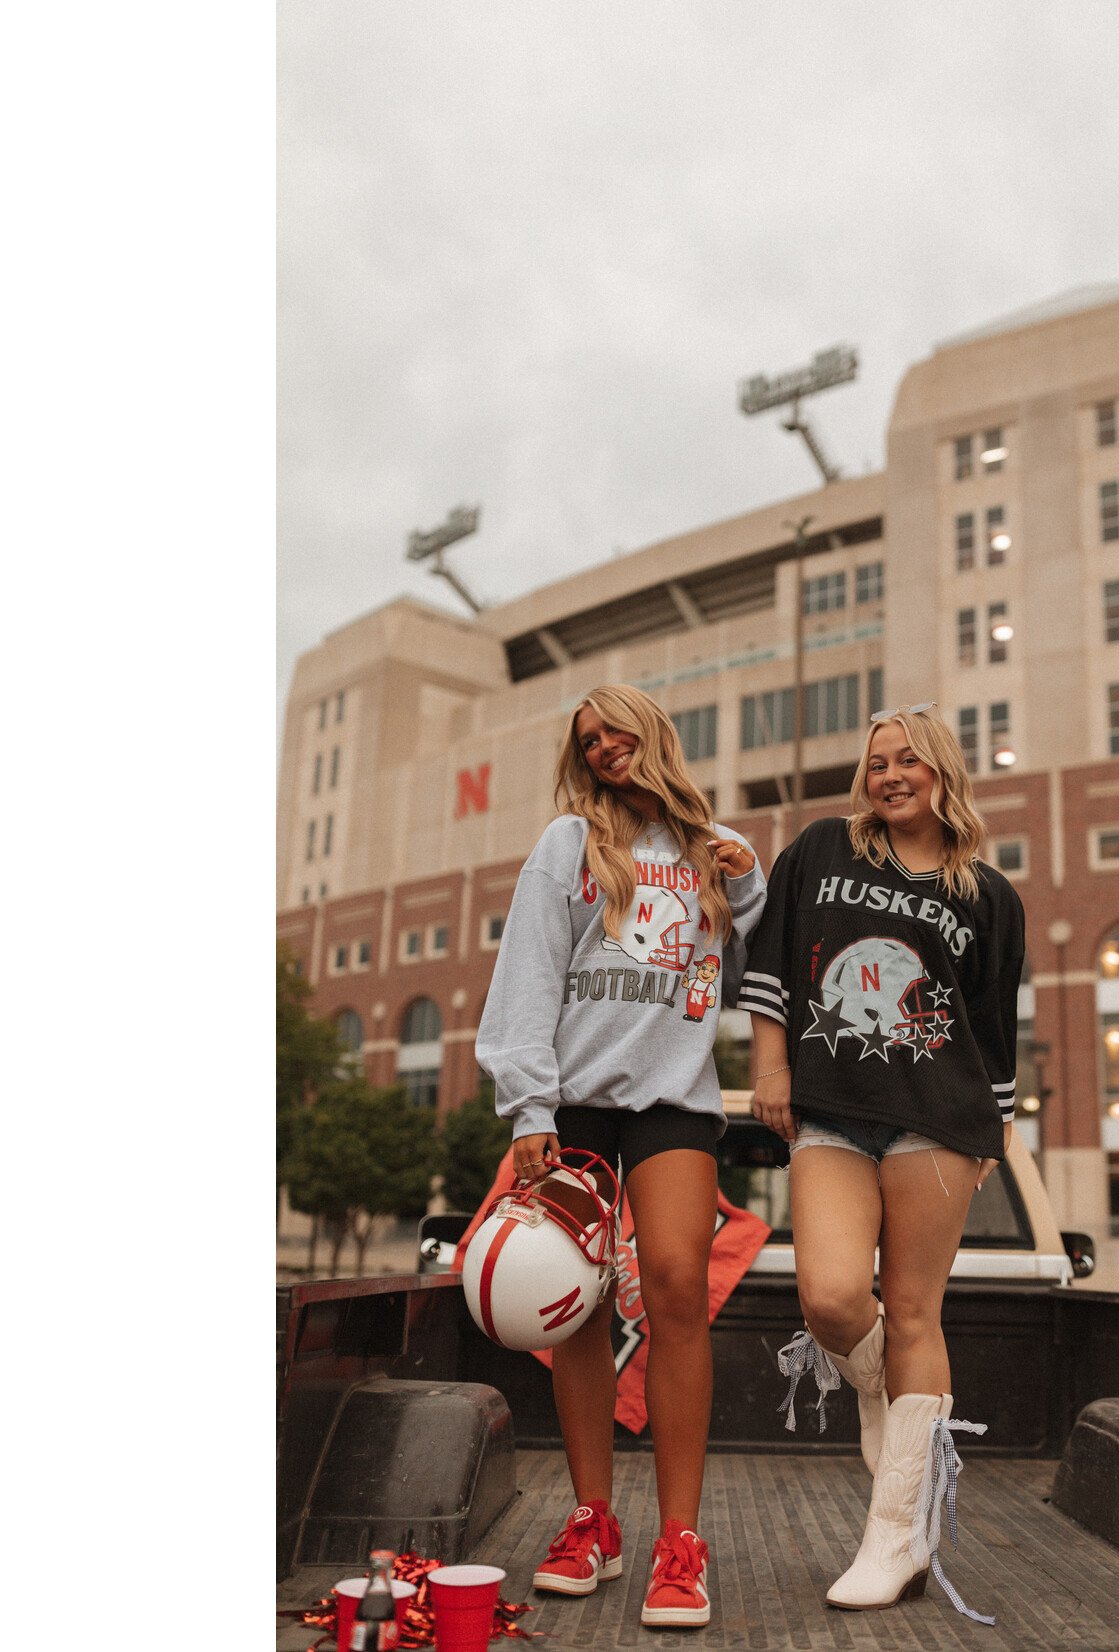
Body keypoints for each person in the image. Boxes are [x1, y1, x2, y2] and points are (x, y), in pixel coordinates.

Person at [475, 684, 765, 1633]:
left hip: (673, 1099)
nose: (601, 746)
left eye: (615, 729)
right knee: (579, 1305)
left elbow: (773, 962)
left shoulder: (712, 848)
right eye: (586, 738)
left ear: (654, 732)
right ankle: (592, 1521)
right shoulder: (567, 845)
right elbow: (525, 972)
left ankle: (680, 1540)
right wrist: (528, 1107)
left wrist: (750, 877)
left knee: (678, 1282)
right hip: (572, 1107)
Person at [736, 703, 1024, 1620]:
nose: (891, 775)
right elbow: (771, 967)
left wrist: (994, 1137)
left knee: (913, 1311)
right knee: (826, 1296)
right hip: (830, 1110)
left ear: (943, 772)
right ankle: (893, 1401)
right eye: (878, 762)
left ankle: (894, 1534)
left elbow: (992, 1036)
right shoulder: (822, 849)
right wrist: (769, 1070)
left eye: (910, 761)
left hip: (939, 1123)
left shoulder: (990, 896)